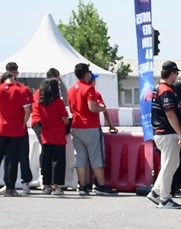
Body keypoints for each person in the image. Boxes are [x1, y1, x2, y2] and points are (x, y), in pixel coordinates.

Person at [67, 63, 118, 196]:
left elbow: (72, 109)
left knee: (81, 157)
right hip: (90, 126)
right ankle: (101, 185)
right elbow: (92, 108)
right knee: (96, 156)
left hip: (76, 126)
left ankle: (83, 186)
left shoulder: (71, 89)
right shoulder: (89, 89)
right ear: (86, 73)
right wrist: (101, 108)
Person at [148, 61, 181, 210]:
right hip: (167, 133)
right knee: (169, 165)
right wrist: (180, 134)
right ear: (172, 73)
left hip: (159, 132)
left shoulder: (157, 88)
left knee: (169, 164)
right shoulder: (166, 90)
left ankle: (156, 191)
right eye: (176, 73)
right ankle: (165, 198)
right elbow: (170, 114)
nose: (176, 77)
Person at [0, 71, 32, 197]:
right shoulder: (22, 90)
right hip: (16, 128)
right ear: (13, 77)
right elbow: (27, 111)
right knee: (12, 159)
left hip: (1, 128)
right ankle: (9, 189)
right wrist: (23, 123)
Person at [35, 78, 70, 196]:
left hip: (45, 134)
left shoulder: (40, 103)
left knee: (46, 160)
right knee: (58, 161)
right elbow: (64, 119)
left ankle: (46, 185)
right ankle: (57, 186)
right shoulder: (58, 102)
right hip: (58, 134)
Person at [31, 67, 63, 145]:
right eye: (56, 81)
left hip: (48, 122)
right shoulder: (40, 92)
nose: (57, 84)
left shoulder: (54, 92)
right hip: (39, 122)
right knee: (46, 147)